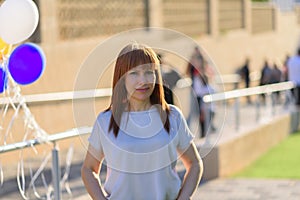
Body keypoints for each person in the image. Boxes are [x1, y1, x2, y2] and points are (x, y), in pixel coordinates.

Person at [81, 43, 203, 200]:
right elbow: (88, 169)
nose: (143, 80)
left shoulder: (173, 116)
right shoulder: (106, 121)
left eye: (148, 72)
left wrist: (184, 197)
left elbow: (194, 164)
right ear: (121, 78)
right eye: (134, 73)